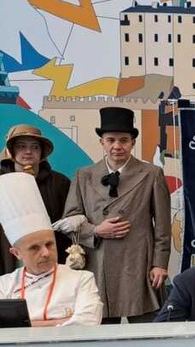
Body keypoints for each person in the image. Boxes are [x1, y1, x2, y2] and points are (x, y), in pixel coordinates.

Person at [54, 107, 172, 324]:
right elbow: (70, 220)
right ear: (102, 142)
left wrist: (159, 264)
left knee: (147, 329)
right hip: (97, 263)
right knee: (101, 328)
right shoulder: (84, 175)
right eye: (111, 140)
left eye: (123, 140)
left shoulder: (151, 174)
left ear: (133, 142)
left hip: (138, 263)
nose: (117, 146)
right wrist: (96, 230)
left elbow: (163, 226)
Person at [0, 173, 102, 326]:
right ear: (17, 253)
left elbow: (88, 323)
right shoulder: (4, 285)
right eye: (34, 248)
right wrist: (62, 321)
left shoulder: (81, 279)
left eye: (49, 244)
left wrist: (23, 325)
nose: (46, 253)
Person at [1, 125, 71, 275]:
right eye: (21, 146)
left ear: (42, 152)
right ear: (12, 151)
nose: (28, 151)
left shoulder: (60, 183)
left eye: (34, 147)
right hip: (7, 259)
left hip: (49, 260)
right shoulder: (2, 182)